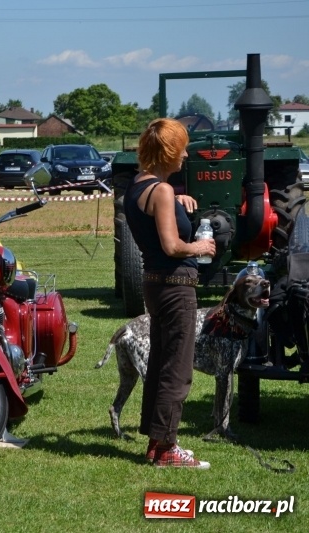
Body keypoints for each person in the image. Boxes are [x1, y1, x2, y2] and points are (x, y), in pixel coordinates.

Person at [124, 117, 216, 469]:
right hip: (177, 286)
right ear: (168, 152)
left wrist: (177, 201)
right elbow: (173, 245)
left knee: (162, 364)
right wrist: (201, 246)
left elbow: (156, 211)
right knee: (177, 369)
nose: (186, 154)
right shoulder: (161, 192)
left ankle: (155, 443)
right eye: (182, 148)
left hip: (155, 285)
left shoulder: (139, 186)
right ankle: (167, 449)